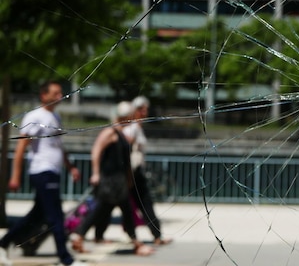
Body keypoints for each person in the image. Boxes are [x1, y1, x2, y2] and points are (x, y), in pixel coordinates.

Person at [0, 81, 87, 266]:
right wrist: (15, 176)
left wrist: (70, 166)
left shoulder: (55, 116)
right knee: (56, 215)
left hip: (53, 172)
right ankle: (66, 259)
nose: (59, 96)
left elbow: (59, 147)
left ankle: (3, 243)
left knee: (37, 215)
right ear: (43, 95)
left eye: (60, 92)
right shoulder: (34, 116)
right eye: (55, 93)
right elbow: (21, 147)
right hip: (42, 171)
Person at [68, 101, 153, 256]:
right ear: (124, 116)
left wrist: (128, 178)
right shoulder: (111, 132)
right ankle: (136, 244)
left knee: (104, 210)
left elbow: (126, 160)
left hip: (119, 180)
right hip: (110, 180)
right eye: (131, 116)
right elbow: (96, 151)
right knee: (117, 210)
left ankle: (79, 236)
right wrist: (95, 173)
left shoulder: (121, 134)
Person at [94, 96, 171, 245]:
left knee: (112, 204)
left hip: (131, 170)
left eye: (145, 109)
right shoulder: (130, 127)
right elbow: (123, 144)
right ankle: (152, 236)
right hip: (129, 171)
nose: (144, 112)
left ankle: (101, 234)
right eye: (141, 109)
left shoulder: (135, 126)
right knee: (137, 202)